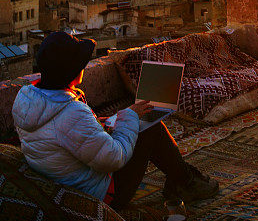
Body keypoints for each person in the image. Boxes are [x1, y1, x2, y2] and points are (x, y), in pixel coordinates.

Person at [12, 31, 219, 210]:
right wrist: (129, 117)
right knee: (150, 129)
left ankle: (180, 179)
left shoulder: (28, 98)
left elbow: (66, 136)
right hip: (98, 194)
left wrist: (106, 122)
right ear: (73, 71)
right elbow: (113, 158)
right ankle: (184, 181)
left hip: (65, 181)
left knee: (135, 122)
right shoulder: (70, 113)